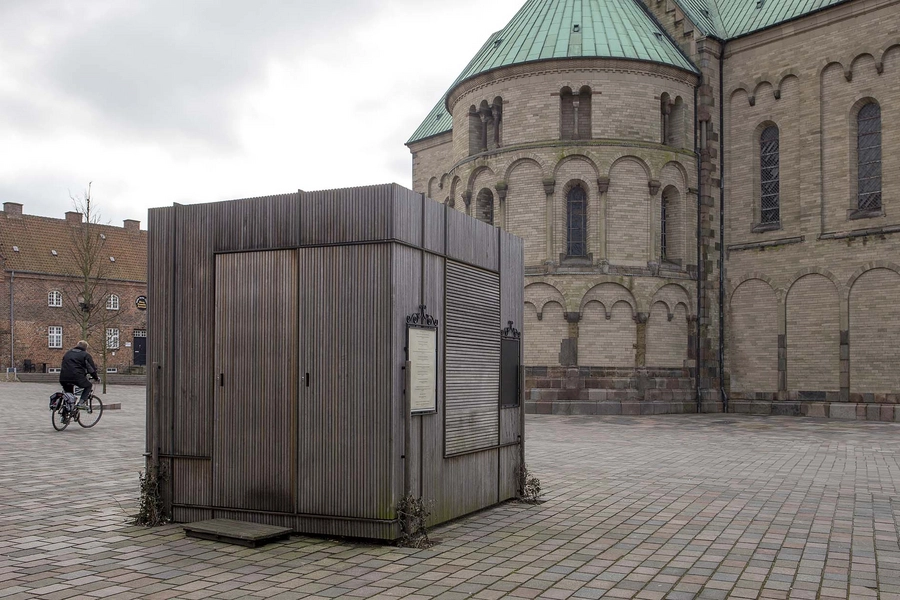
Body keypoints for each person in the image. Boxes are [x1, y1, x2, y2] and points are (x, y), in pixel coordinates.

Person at [60, 340, 100, 407]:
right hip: (76, 377)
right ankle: (81, 403)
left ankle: (66, 413)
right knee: (88, 386)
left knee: (69, 395)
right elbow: (91, 369)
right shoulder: (85, 355)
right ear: (85, 348)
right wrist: (96, 377)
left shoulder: (68, 353)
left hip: (63, 377)